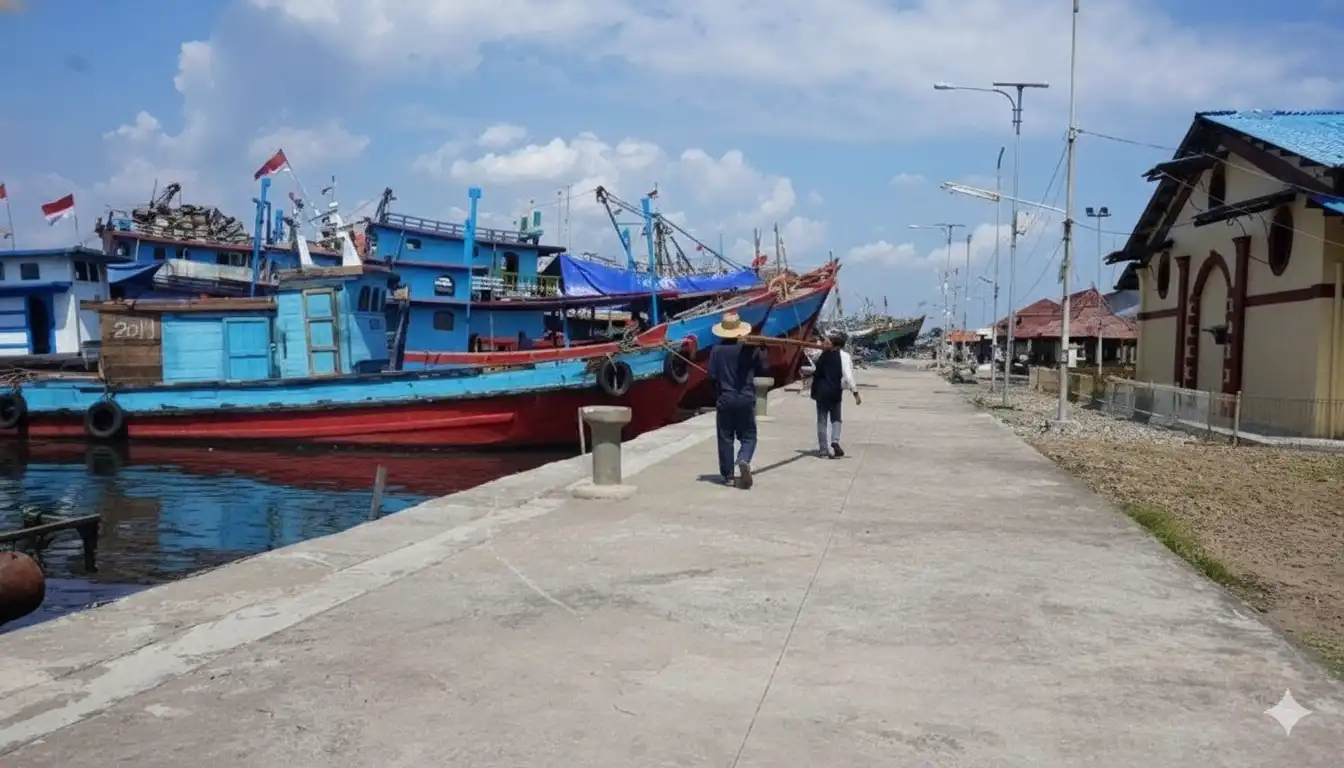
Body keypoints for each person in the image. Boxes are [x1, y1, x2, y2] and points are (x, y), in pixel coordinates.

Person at [706, 310, 766, 489]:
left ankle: (728, 476)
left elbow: (712, 376)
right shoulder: (749, 348)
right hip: (746, 397)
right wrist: (762, 349)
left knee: (725, 437)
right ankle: (743, 459)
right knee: (749, 436)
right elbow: (764, 367)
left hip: (725, 397)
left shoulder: (716, 350)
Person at [810, 330, 861, 458]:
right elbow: (848, 376)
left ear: (834, 344)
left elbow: (815, 373)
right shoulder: (844, 356)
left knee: (821, 421)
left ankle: (823, 451)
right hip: (834, 392)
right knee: (836, 419)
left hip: (821, 392)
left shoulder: (822, 356)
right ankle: (835, 441)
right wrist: (855, 393)